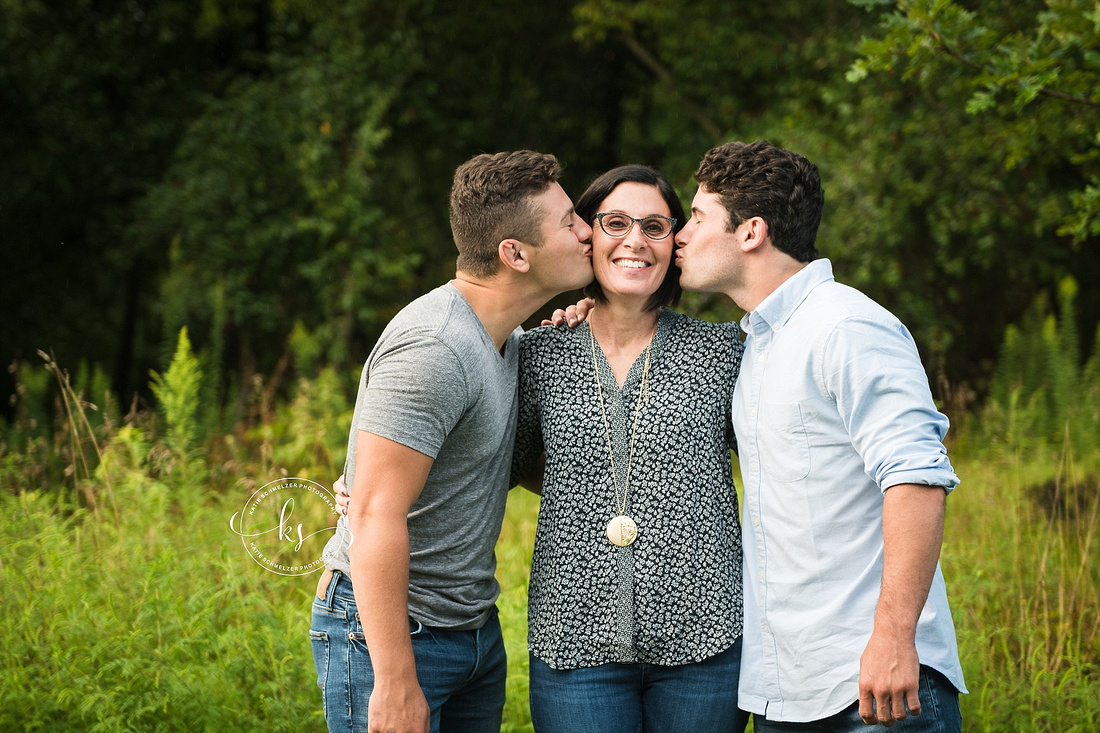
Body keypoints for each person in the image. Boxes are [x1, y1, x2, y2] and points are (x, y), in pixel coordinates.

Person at [673, 139, 967, 731]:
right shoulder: (757, 343)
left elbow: (916, 478)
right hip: (790, 692)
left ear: (751, 232)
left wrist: (891, 640)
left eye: (698, 217)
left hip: (875, 687)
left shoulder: (846, 325)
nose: (680, 234)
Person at [312, 150, 594, 733]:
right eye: (569, 221)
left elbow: (535, 469)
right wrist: (393, 680)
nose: (587, 231)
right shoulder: (435, 348)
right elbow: (374, 513)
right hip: (392, 636)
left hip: (472, 635)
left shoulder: (508, 341)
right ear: (514, 254)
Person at [511, 165, 747, 733]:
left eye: (656, 226)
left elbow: (783, 462)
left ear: (674, 243)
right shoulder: (537, 353)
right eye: (615, 222)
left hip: (706, 642)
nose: (635, 240)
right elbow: (498, 461)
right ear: (589, 235)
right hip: (574, 640)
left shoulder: (724, 351)